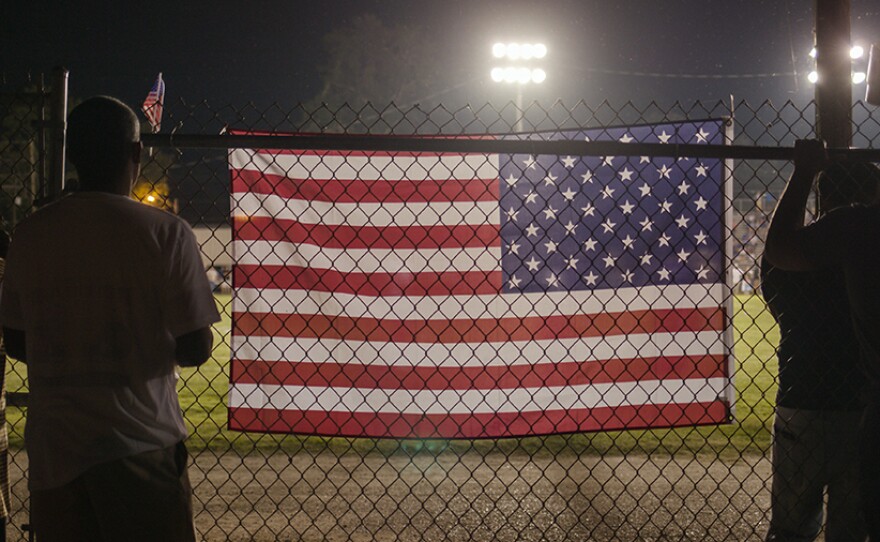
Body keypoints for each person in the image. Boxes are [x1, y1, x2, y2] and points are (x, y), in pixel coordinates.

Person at [0, 96, 220, 541]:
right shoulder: (164, 232)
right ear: (135, 154)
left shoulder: (31, 235)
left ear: (72, 154)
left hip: (57, 451)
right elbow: (197, 347)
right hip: (141, 443)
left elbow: (19, 341)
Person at [765, 139, 880, 541]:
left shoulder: (799, 259)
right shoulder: (865, 247)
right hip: (860, 405)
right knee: (852, 530)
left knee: (790, 530)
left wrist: (803, 173)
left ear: (824, 197)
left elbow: (777, 250)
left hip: (803, 398)